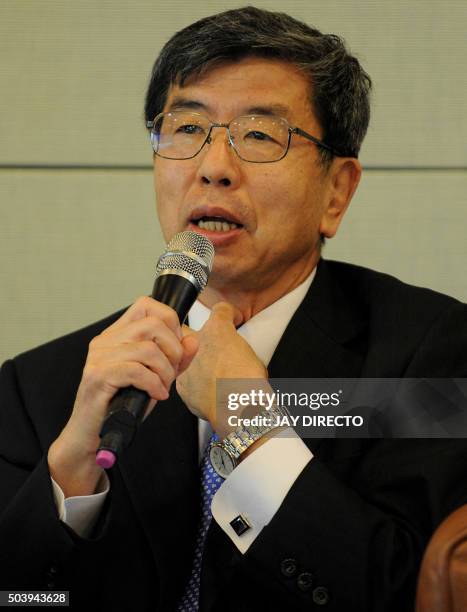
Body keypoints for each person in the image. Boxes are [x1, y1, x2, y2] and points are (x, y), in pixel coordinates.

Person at [0, 6, 466, 611]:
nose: (213, 169)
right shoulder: (42, 389)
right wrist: (69, 478)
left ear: (337, 190)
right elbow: (21, 597)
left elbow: (413, 594)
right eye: (187, 129)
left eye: (260, 136)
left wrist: (249, 423)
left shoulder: (430, 356)